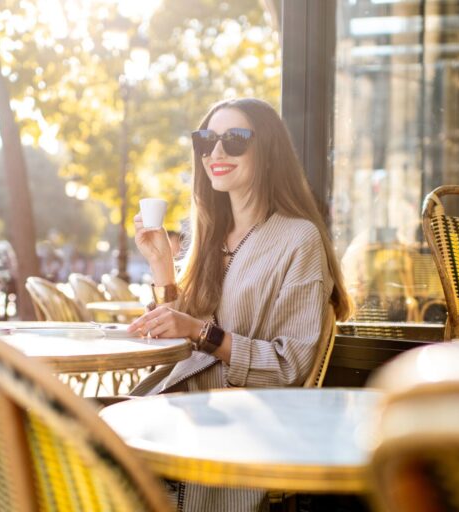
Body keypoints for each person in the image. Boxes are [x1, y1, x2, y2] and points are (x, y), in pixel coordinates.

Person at [127, 98, 352, 511]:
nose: (216, 152)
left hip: (236, 419)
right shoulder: (211, 235)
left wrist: (200, 333)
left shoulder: (298, 239)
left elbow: (290, 364)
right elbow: (177, 335)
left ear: (267, 151)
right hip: (177, 402)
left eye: (235, 139)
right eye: (207, 140)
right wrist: (162, 266)